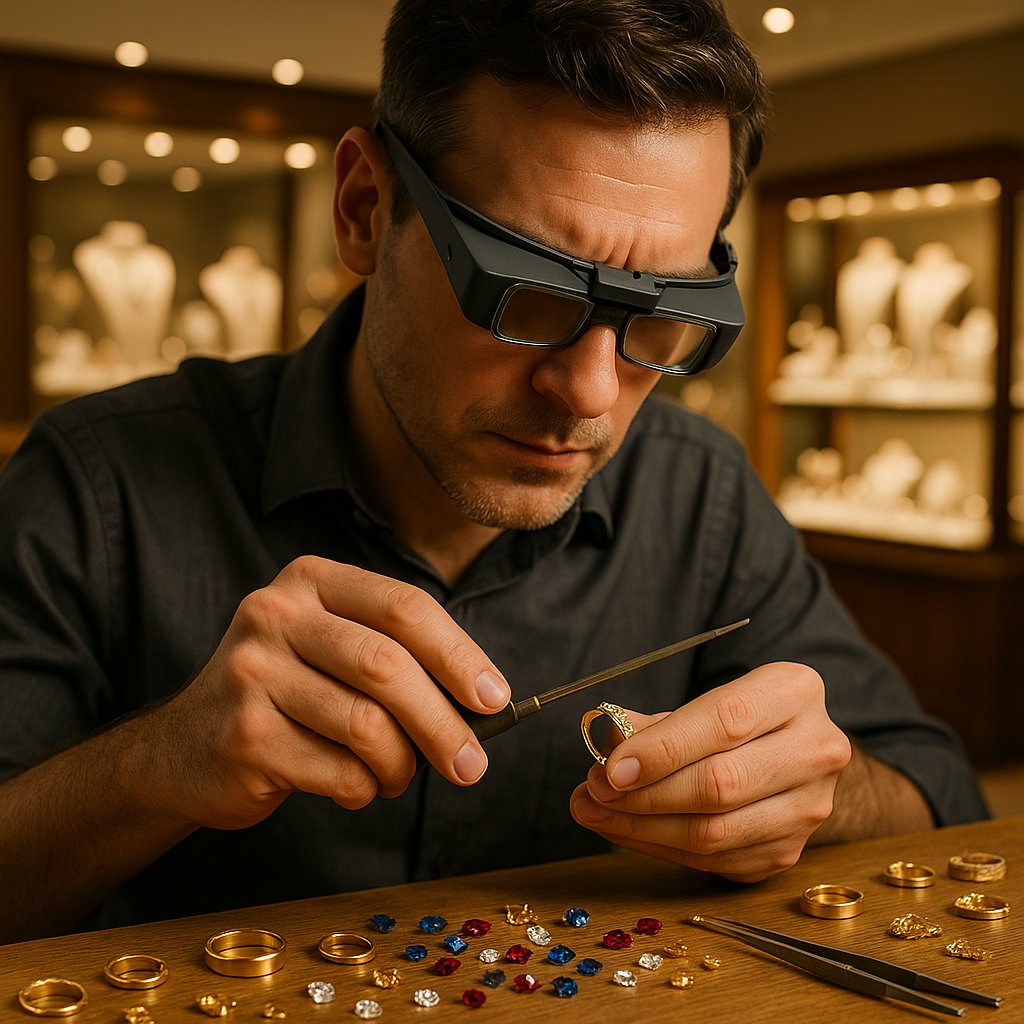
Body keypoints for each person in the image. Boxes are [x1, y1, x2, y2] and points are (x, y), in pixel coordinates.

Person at [0, 0, 987, 944]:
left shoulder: (702, 495)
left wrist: (823, 793)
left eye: (663, 315)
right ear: (362, 208)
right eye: (525, 292)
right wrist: (151, 765)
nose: (592, 392)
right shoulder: (97, 485)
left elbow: (940, 796)